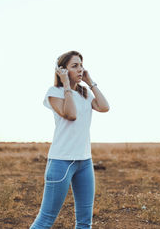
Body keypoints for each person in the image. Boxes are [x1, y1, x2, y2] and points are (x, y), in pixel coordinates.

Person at [29, 50, 110, 229]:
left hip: (85, 162)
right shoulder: (54, 92)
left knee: (84, 222)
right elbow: (71, 115)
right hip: (61, 162)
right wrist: (66, 84)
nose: (80, 69)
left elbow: (104, 107)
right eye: (74, 66)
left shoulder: (85, 93)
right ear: (62, 70)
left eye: (81, 65)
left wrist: (90, 82)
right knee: (45, 220)